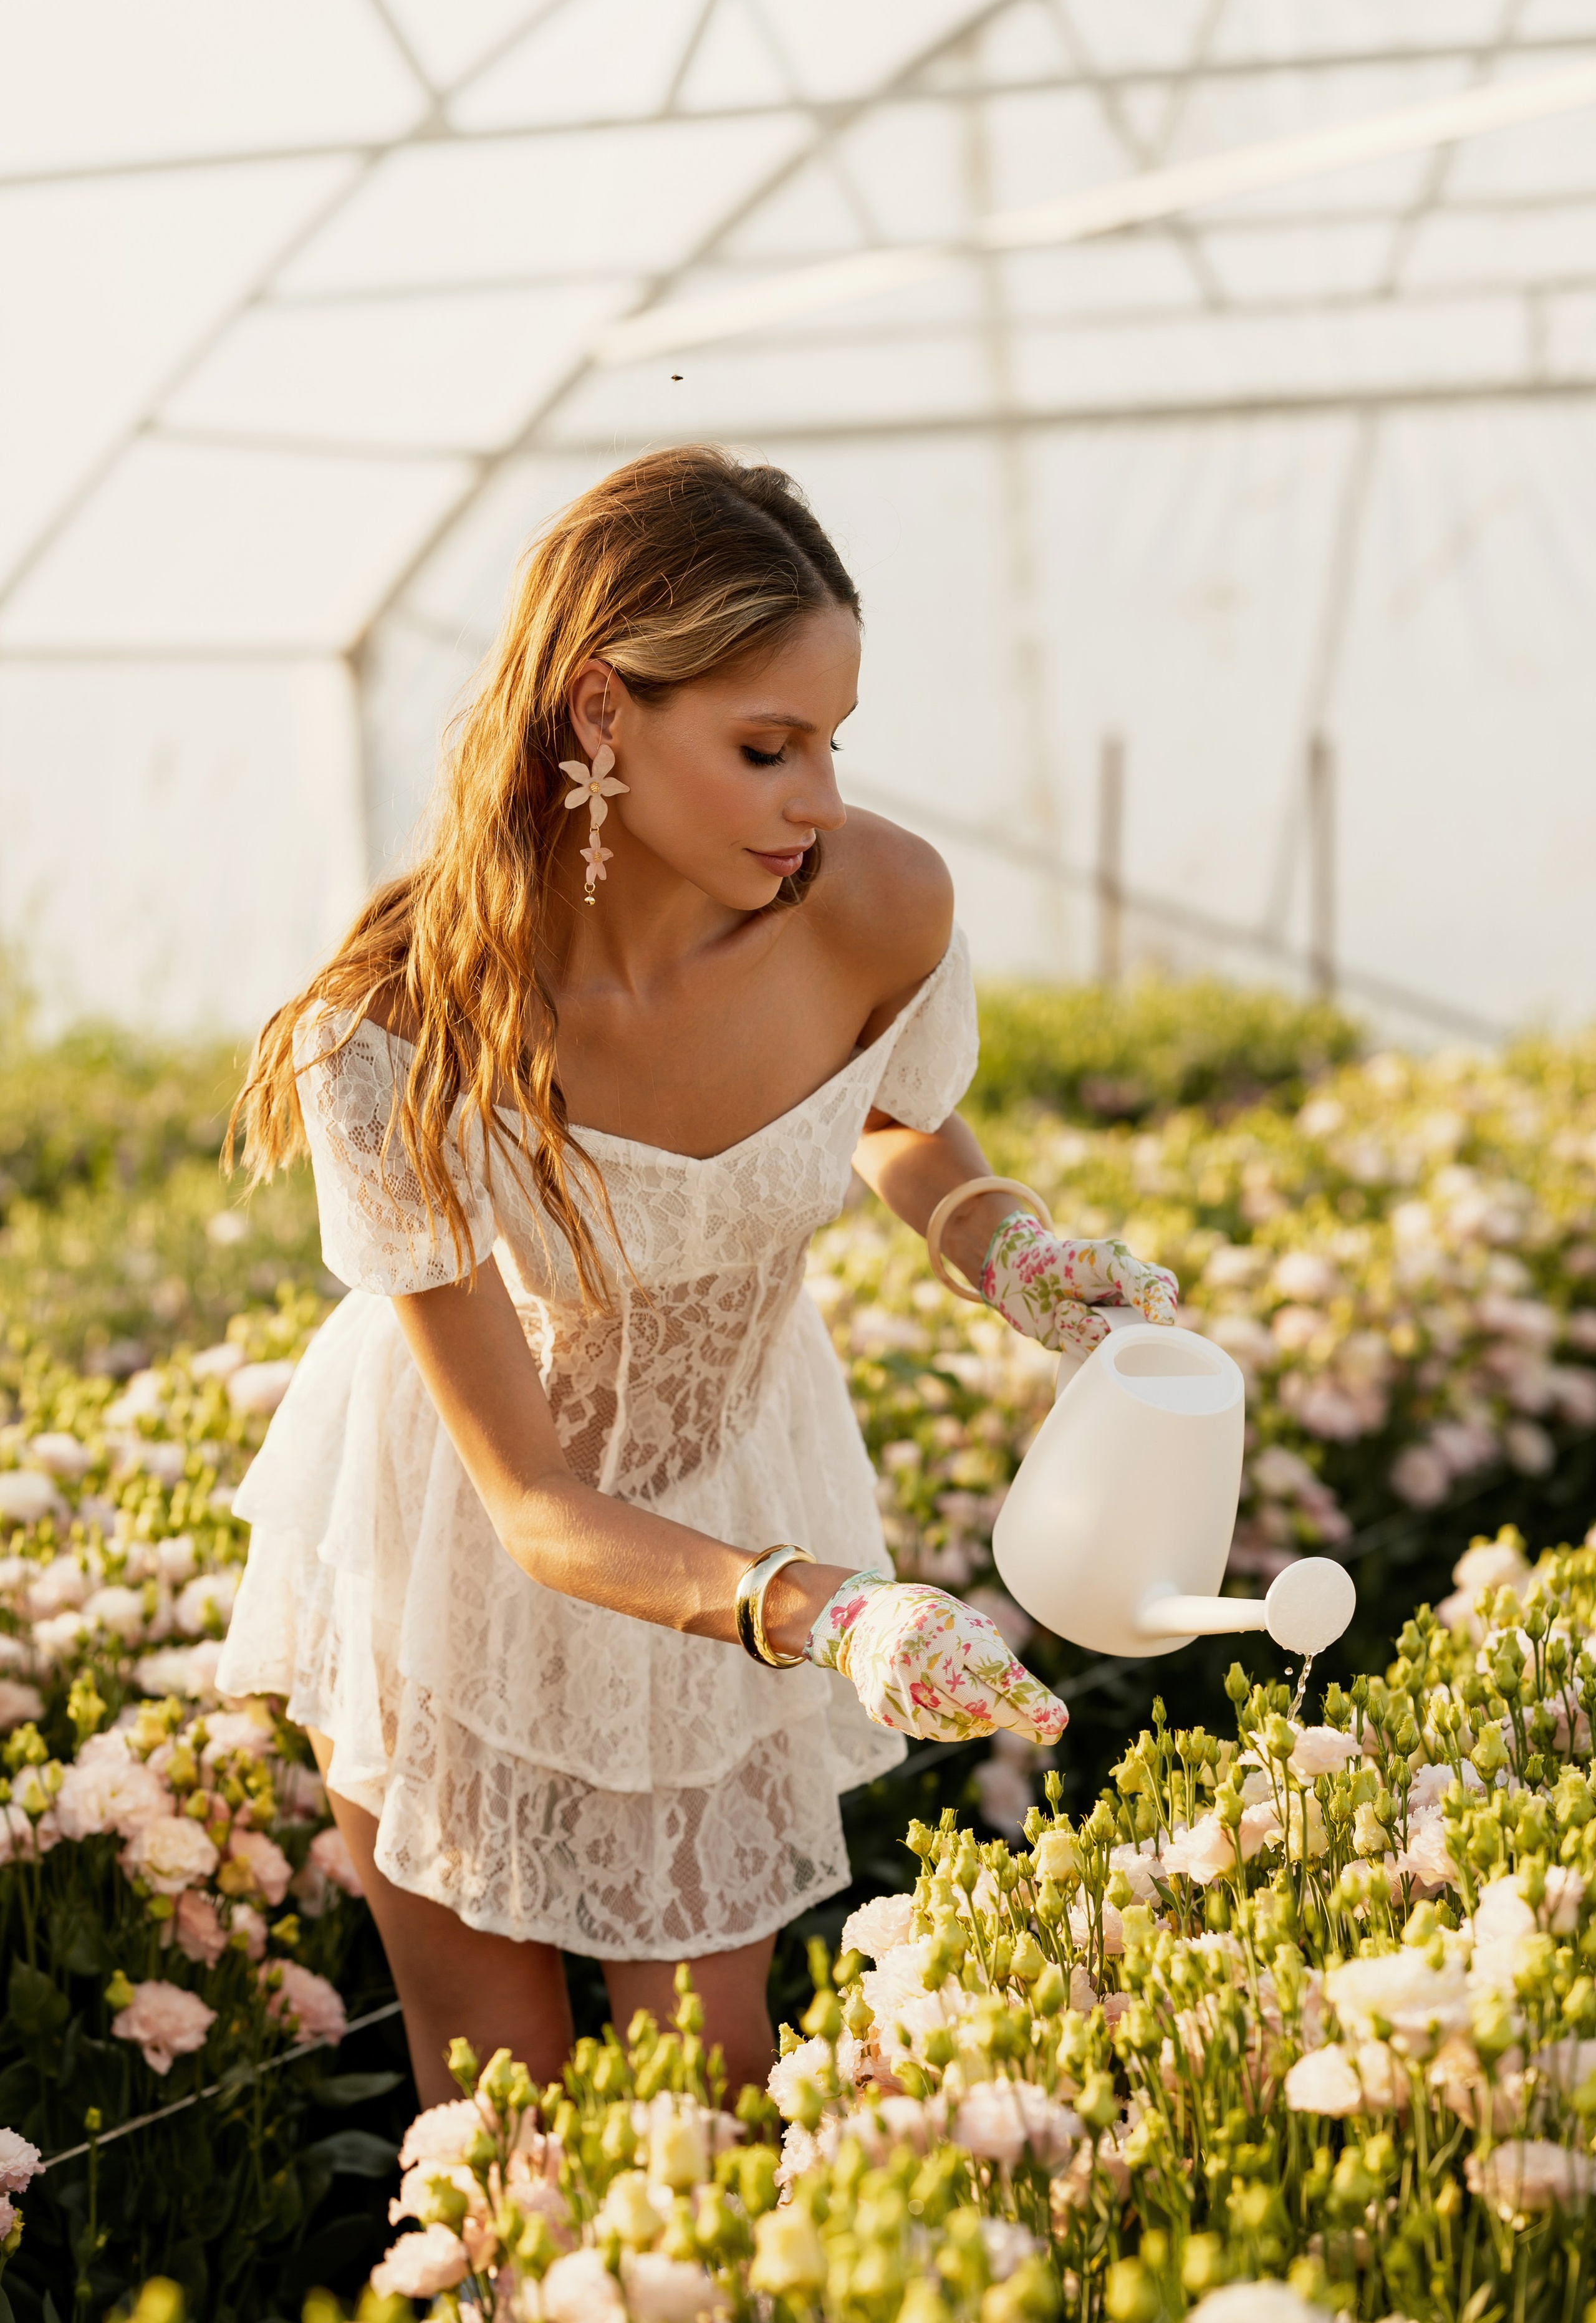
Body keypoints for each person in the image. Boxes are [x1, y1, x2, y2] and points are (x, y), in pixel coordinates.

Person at [218, 447, 1176, 2103]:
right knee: (504, 2130)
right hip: (461, 1545)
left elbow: (893, 1120)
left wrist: (1003, 1246)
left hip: (734, 1482)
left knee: (712, 2104)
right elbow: (528, 1505)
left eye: (832, 742)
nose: (819, 798)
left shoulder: (878, 903)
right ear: (600, 716)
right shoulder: (398, 1033)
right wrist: (830, 1612)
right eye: (764, 747)